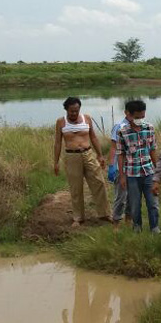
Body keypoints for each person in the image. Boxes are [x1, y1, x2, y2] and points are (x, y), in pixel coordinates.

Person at [54, 97, 111, 227]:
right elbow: (57, 143)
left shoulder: (87, 118)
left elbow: (94, 137)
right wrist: (56, 162)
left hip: (88, 153)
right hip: (71, 156)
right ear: (66, 110)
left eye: (76, 111)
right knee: (76, 187)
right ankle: (78, 218)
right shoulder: (61, 122)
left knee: (99, 182)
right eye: (71, 111)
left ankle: (105, 214)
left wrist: (100, 155)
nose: (74, 114)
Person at [116, 100, 161, 234]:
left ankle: (154, 227)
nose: (140, 120)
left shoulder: (149, 128)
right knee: (135, 204)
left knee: (153, 203)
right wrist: (122, 176)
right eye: (137, 117)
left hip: (149, 172)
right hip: (132, 175)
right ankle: (137, 227)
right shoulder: (122, 132)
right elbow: (120, 154)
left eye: (142, 117)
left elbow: (153, 150)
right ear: (128, 115)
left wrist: (157, 174)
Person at [107, 111, 132, 228]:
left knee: (132, 197)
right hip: (120, 167)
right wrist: (111, 165)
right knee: (121, 197)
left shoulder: (140, 127)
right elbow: (113, 147)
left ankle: (129, 220)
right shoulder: (119, 127)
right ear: (127, 113)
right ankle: (116, 222)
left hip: (134, 167)